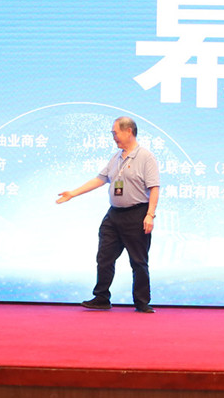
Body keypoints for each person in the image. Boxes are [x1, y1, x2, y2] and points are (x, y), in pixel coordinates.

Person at [55, 116, 160, 313]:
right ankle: (101, 297)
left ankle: (142, 302)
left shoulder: (146, 157)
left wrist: (150, 215)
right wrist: (73, 193)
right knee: (104, 257)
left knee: (138, 261)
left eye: (115, 133)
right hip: (114, 215)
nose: (113, 137)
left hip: (137, 214)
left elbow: (154, 187)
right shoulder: (116, 157)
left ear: (128, 131)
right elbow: (100, 179)